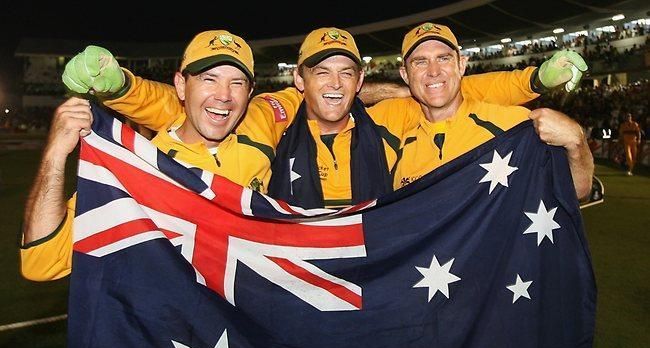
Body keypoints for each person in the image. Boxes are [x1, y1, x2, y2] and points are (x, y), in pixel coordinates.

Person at [61, 28, 588, 207]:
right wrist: (121, 86)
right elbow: (186, 103)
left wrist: (533, 82)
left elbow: (447, 90)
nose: (333, 84)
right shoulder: (270, 117)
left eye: (346, 73)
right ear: (299, 80)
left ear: (360, 81)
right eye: (320, 72)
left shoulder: (395, 119)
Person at [21, 29, 261, 280]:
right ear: (181, 85)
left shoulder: (261, 135)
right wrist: (55, 154)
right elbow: (41, 261)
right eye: (208, 79)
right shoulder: (140, 169)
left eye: (237, 83)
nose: (224, 95)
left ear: (250, 92)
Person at [378, 22, 593, 197]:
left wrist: (577, 142)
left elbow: (578, 189)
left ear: (461, 65)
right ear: (405, 75)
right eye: (420, 62)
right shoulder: (392, 135)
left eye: (443, 58)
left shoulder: (512, 125)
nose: (434, 71)